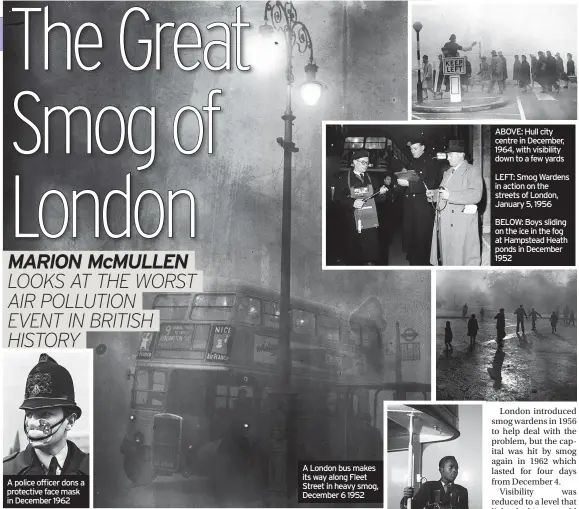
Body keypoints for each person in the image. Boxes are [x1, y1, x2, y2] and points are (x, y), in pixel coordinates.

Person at [4, 354, 89, 475]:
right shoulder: (6, 471)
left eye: (45, 414)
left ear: (70, 421)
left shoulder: (93, 470)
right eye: (29, 414)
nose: (32, 423)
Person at [428, 140, 483, 266]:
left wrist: (450, 196)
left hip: (460, 224)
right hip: (445, 221)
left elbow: (476, 195)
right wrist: (433, 194)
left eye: (451, 155)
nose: (448, 158)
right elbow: (444, 192)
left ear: (461, 155)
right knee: (446, 257)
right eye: (448, 155)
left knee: (460, 259)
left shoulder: (472, 170)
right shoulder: (447, 172)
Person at [336, 149, 387, 265]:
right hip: (352, 222)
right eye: (363, 162)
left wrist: (382, 193)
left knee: (370, 252)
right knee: (354, 254)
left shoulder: (372, 179)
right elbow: (338, 198)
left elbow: (378, 199)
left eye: (367, 162)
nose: (366, 165)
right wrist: (351, 203)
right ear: (354, 162)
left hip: (369, 221)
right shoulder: (344, 178)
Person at [399, 135, 442, 265]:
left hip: (423, 206)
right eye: (411, 149)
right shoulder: (411, 162)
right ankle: (413, 261)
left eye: (415, 148)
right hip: (410, 205)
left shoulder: (430, 162)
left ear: (423, 148)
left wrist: (408, 184)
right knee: (411, 235)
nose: (412, 151)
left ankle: (423, 263)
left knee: (422, 236)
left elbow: (430, 182)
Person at [401, 456, 469, 509]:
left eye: (456, 468)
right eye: (451, 467)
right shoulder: (428, 487)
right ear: (441, 470)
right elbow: (413, 507)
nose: (455, 470)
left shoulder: (462, 491)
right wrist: (407, 497)